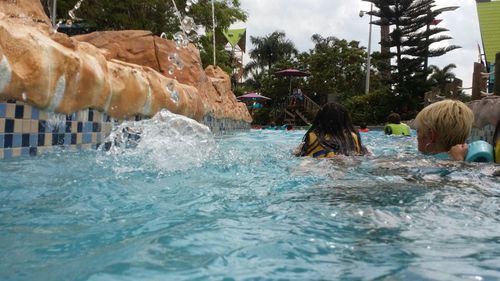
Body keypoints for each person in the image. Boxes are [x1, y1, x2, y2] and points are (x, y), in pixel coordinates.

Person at [295, 102, 367, 158]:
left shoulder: (312, 137)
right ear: (345, 121)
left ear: (320, 120)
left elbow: (298, 154)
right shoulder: (353, 137)